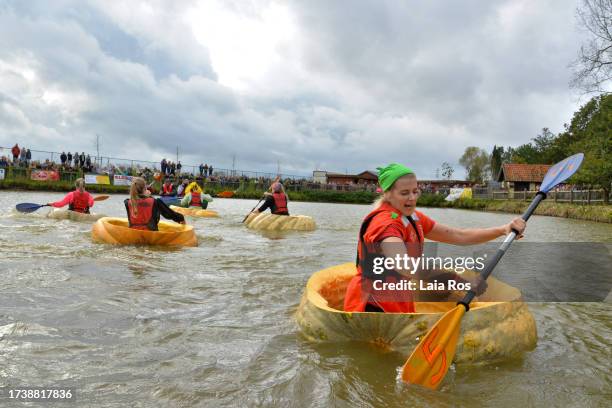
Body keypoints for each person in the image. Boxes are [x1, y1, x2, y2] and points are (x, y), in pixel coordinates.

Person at [343, 163, 526, 314]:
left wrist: (502, 229)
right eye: (404, 193)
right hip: (372, 305)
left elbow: (458, 235)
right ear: (386, 193)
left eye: (415, 191)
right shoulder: (386, 224)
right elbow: (406, 267)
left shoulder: (412, 216)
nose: (412, 198)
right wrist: (462, 282)